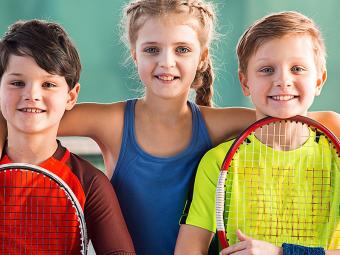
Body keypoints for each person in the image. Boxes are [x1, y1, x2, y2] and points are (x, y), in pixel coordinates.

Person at [0, 2, 339, 255]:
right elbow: (31, 114)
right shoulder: (112, 121)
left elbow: (291, 114)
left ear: (202, 57)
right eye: (151, 50)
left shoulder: (218, 123)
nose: (166, 62)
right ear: (134, 55)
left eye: (182, 49)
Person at [175, 11, 340, 255]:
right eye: (266, 70)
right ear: (245, 83)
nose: (283, 80)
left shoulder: (336, 159)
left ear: (319, 81)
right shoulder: (218, 163)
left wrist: (281, 253)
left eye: (297, 68)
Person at [0, 19, 135, 254]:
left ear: (71, 96)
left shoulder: (89, 182)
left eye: (49, 84)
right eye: (17, 82)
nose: (31, 94)